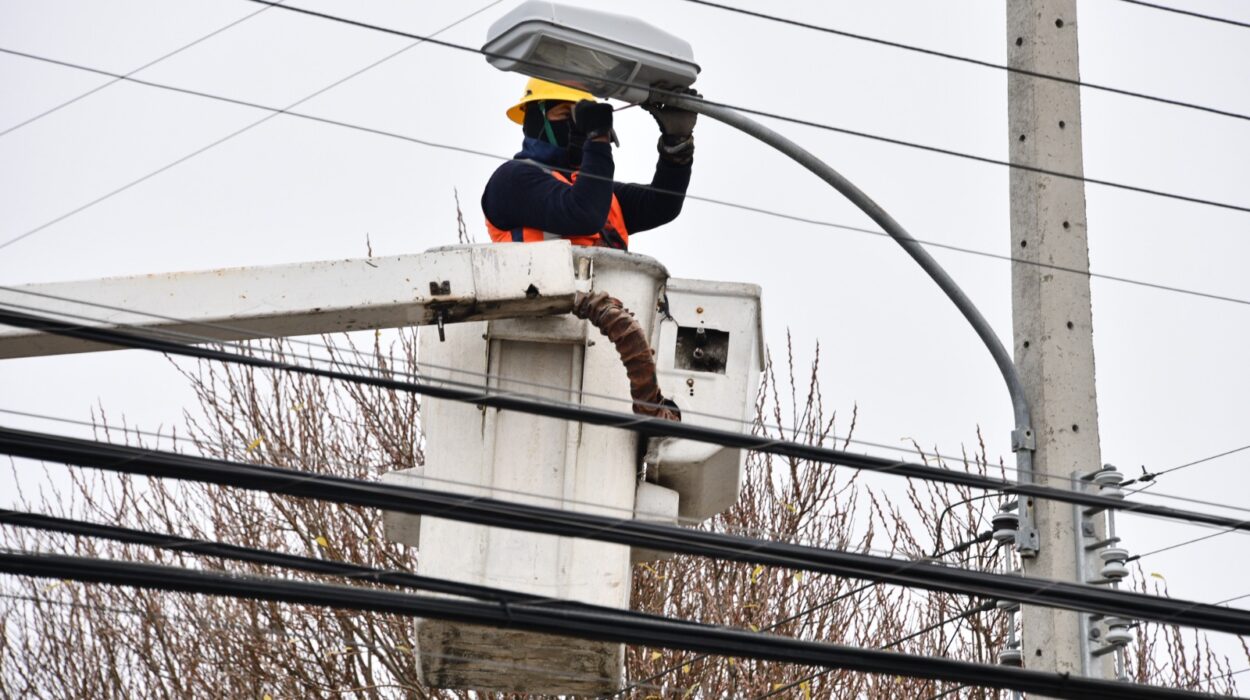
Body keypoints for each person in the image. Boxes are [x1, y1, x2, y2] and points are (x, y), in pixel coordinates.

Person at [482, 78, 698, 250]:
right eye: (565, 114)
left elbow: (662, 204)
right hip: (538, 293)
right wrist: (598, 139)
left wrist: (677, 144)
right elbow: (584, 214)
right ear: (536, 121)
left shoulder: (596, 192)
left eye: (582, 119)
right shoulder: (511, 180)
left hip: (607, 293)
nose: (578, 127)